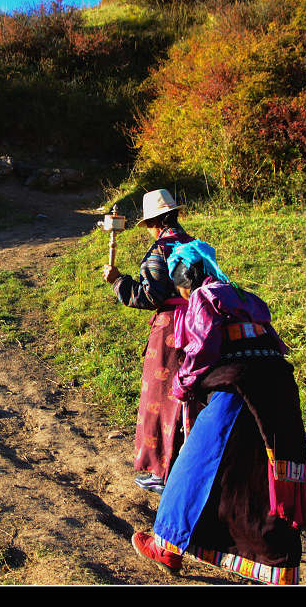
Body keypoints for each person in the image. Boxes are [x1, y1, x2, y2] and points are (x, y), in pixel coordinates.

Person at [129, 239, 306, 585]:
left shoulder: (204, 297)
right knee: (260, 475)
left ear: (189, 274)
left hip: (238, 385)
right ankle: (280, 567)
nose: (182, 294)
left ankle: (166, 544)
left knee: (196, 462)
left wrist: (182, 386)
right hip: (278, 388)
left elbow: (202, 350)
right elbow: (275, 343)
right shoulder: (245, 297)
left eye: (180, 284)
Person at [102, 189, 202, 494]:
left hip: (172, 329)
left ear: (151, 223)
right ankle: (188, 466)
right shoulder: (192, 244)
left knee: (161, 398)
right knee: (190, 396)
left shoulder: (162, 248)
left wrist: (118, 280)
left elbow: (150, 295)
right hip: (199, 323)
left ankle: (161, 470)